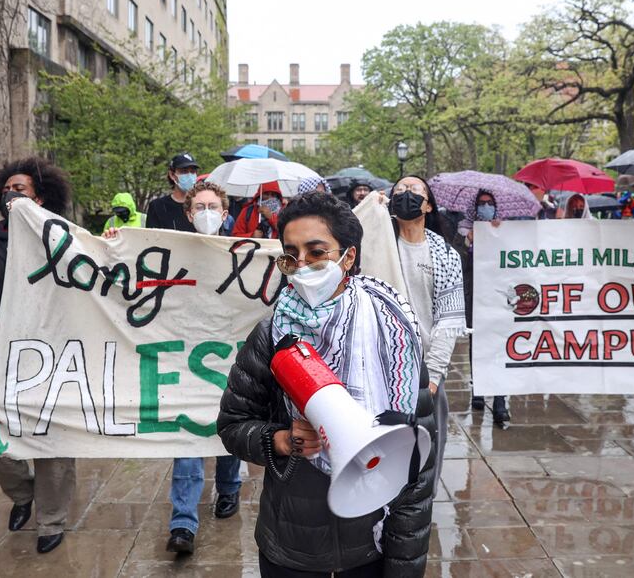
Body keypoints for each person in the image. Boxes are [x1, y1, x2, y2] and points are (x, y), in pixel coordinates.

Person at [218, 192, 435, 577]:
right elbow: (234, 425)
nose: (301, 265)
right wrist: (282, 440)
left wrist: (403, 564)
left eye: (317, 252)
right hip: (291, 546)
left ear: (348, 257)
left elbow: (416, 469)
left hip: (371, 544)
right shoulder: (271, 334)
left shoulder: (393, 332)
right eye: (291, 255)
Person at [0, 157, 76, 554]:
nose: (12, 195)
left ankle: (51, 519)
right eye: (7, 190)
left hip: (55, 359)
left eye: (22, 189)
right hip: (0, 361)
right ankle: (23, 494)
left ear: (41, 199)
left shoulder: (66, 243)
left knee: (53, 444)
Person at [169, 181, 244, 553]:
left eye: (213, 206)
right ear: (189, 213)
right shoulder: (172, 250)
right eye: (199, 207)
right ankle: (182, 521)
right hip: (186, 355)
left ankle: (229, 488)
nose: (207, 212)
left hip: (229, 354)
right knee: (188, 435)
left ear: (225, 212)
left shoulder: (245, 251)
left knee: (227, 428)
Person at [389, 176, 466, 489]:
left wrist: (432, 378)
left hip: (425, 368)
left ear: (429, 204)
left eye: (414, 190)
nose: (406, 194)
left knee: (427, 445)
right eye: (400, 191)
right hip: (384, 363)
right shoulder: (375, 244)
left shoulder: (446, 256)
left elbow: (448, 321)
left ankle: (422, 503)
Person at [453, 191, 509, 421]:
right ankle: (478, 390)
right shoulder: (463, 230)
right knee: (477, 346)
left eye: (490, 203)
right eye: (481, 204)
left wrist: (499, 234)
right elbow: (455, 259)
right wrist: (469, 240)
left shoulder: (506, 230)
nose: (486, 207)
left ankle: (500, 400)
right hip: (476, 298)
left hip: (501, 299)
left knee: (501, 346)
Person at [146, 153, 199, 231]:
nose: (189, 175)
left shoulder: (201, 205)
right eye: (184, 171)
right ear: (172, 175)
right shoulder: (158, 206)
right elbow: (151, 238)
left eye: (192, 172)